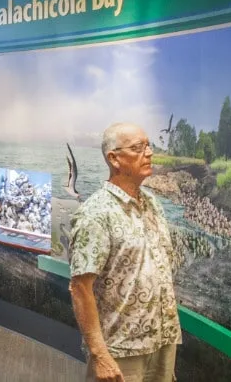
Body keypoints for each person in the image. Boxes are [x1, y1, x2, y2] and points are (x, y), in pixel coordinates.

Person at [69, 122, 181, 382]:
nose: (149, 152)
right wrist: (100, 355)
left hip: (163, 341)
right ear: (114, 159)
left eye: (148, 145)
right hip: (121, 351)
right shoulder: (95, 214)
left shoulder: (152, 203)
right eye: (138, 148)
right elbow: (80, 288)